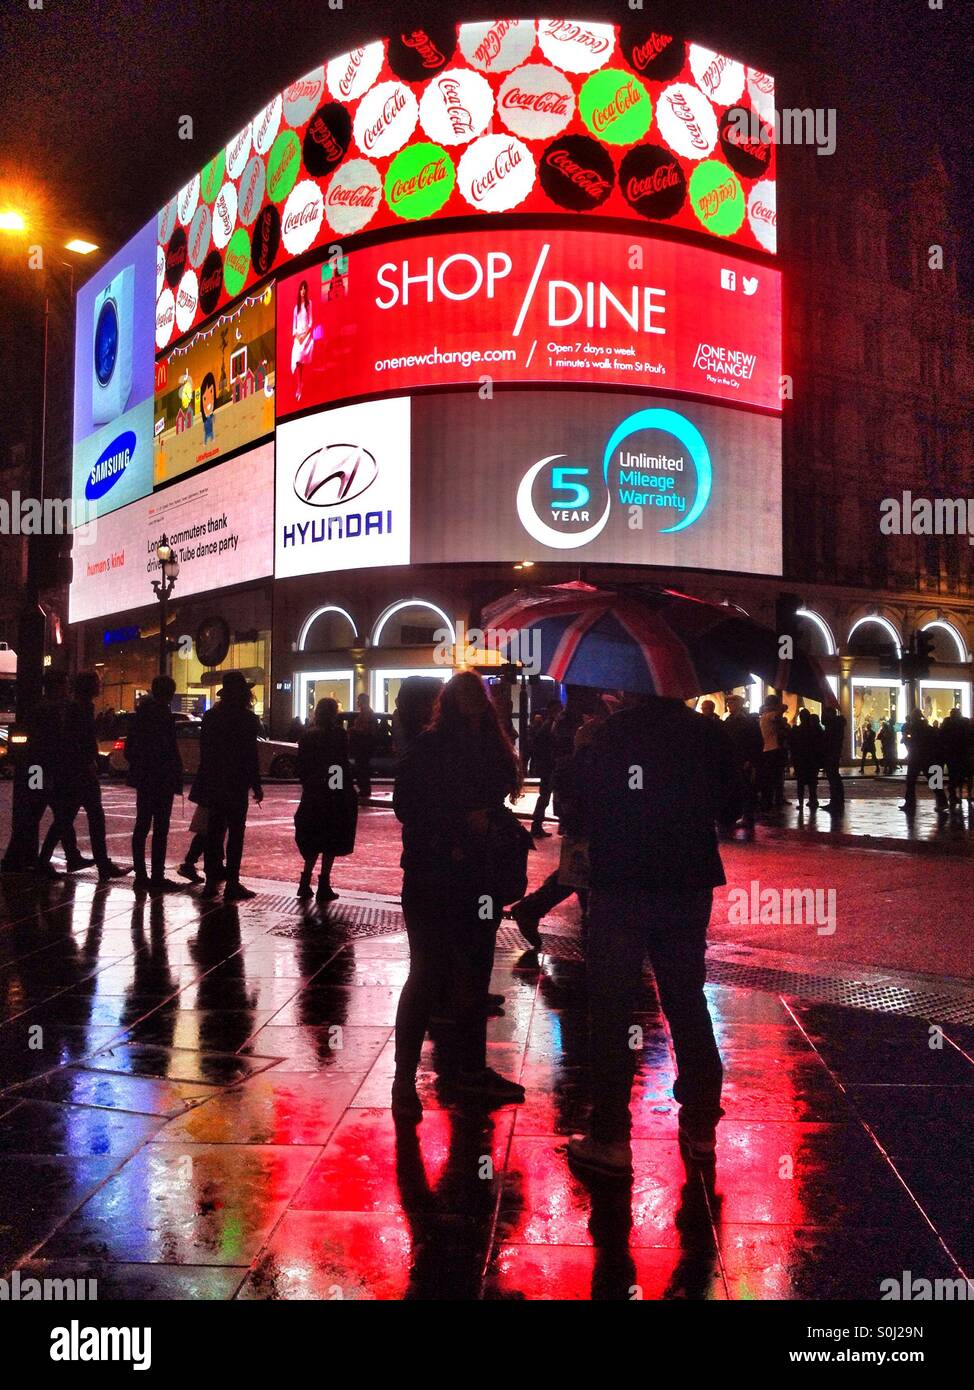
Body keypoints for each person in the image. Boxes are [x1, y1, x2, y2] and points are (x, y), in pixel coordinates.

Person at [565, 695, 742, 1178]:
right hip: (687, 879)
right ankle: (702, 1126)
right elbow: (734, 806)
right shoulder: (705, 733)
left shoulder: (608, 734)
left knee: (612, 1008)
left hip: (621, 879)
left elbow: (573, 811)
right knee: (686, 1000)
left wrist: (581, 753)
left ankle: (611, 1137)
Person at [392, 671, 526, 1122]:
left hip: (467, 875)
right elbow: (407, 808)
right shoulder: (433, 748)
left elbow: (505, 785)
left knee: (466, 972)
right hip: (444, 873)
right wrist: (462, 819)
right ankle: (409, 1076)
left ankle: (457, 1071)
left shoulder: (474, 745)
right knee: (434, 973)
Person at [37, 671, 129, 883]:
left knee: (68, 818)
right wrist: (89, 762)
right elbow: (79, 739)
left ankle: (48, 860)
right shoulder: (81, 708)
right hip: (80, 773)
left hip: (74, 772)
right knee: (86, 817)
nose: (100, 685)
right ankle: (101, 864)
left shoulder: (76, 707)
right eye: (97, 682)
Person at [192, 671, 263, 902]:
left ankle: (211, 882)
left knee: (214, 832)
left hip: (214, 782)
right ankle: (232, 882)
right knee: (235, 833)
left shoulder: (211, 717)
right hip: (237, 783)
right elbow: (251, 756)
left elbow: (206, 753)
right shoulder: (249, 720)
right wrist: (256, 785)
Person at [294, 698, 357, 904]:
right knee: (330, 840)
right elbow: (338, 766)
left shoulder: (307, 736)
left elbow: (302, 768)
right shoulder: (338, 735)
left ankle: (305, 882)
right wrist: (338, 789)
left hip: (312, 794)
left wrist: (311, 786)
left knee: (312, 840)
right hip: (331, 794)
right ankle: (324, 884)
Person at [125, 675, 183, 891]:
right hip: (161, 778)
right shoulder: (163, 715)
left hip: (145, 778)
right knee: (160, 828)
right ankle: (156, 875)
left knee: (142, 825)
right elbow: (168, 749)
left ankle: (141, 874)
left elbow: (131, 748)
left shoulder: (142, 714)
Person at [721, 694, 763, 839]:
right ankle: (736, 815)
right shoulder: (728, 721)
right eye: (728, 702)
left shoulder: (747, 722)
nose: (729, 704)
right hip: (732, 760)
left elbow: (756, 742)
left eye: (732, 702)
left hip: (742, 760)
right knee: (734, 789)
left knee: (746, 789)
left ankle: (747, 816)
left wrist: (750, 759)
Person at [528, 700, 562, 838]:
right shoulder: (549, 727)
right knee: (545, 796)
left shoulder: (547, 726)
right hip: (547, 767)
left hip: (546, 766)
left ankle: (537, 826)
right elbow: (544, 747)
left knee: (545, 796)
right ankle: (536, 826)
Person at [790, 707, 824, 812]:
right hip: (812, 759)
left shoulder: (796, 730)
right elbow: (820, 744)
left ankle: (801, 803)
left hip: (800, 759)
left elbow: (792, 746)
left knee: (800, 783)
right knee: (812, 782)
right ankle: (813, 799)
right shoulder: (815, 730)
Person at [758, 696, 787, 812]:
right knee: (774, 778)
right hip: (773, 749)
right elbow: (781, 711)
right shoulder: (771, 715)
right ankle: (770, 803)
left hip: (767, 749)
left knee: (769, 778)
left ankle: (769, 802)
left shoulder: (764, 716)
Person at [349, 692, 378, 800]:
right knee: (362, 767)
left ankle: (364, 789)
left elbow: (365, 729)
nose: (357, 702)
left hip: (363, 745)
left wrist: (353, 730)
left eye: (359, 700)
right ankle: (364, 788)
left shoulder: (366, 713)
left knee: (362, 767)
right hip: (364, 745)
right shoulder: (367, 712)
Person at [939, 706, 969, 810]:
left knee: (954, 773)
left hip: (951, 752)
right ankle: (953, 793)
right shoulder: (962, 723)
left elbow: (941, 735)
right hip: (957, 752)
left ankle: (952, 793)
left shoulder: (947, 723)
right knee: (956, 773)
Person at [820, 705, 848, 814]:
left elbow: (829, 738)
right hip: (834, 753)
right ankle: (836, 800)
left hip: (832, 753)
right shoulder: (837, 724)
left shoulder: (833, 725)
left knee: (833, 777)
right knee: (834, 777)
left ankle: (836, 801)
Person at [291, 279, 313, 403]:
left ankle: (300, 385)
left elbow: (311, 322)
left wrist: (304, 336)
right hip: (298, 336)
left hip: (307, 335)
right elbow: (294, 326)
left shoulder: (309, 304)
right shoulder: (296, 308)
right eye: (301, 288)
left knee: (301, 357)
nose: (303, 291)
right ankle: (300, 384)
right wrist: (297, 336)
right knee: (297, 359)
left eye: (305, 288)